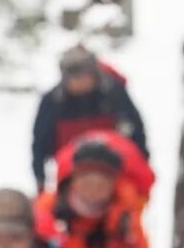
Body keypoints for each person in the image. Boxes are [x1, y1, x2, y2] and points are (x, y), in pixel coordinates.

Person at [31, 43, 149, 189]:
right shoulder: (53, 102)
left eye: (85, 76)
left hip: (115, 173)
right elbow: (40, 144)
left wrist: (141, 172)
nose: (81, 82)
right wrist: (40, 180)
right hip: (71, 176)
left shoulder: (113, 94)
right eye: (75, 78)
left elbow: (136, 132)